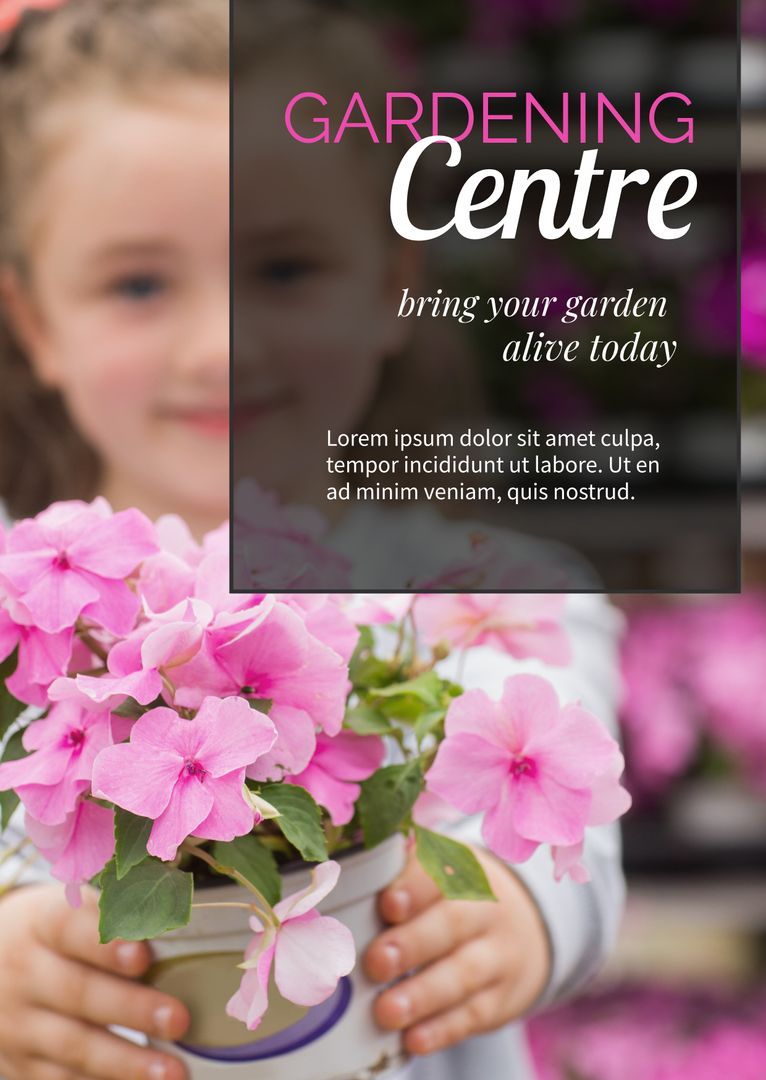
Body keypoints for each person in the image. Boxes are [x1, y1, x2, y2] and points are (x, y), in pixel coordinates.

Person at [0, 2, 625, 1079]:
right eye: (138, 284)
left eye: (284, 270)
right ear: (37, 324)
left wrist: (517, 911)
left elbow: (577, 842)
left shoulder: (492, 590)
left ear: (390, 286)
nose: (220, 347)